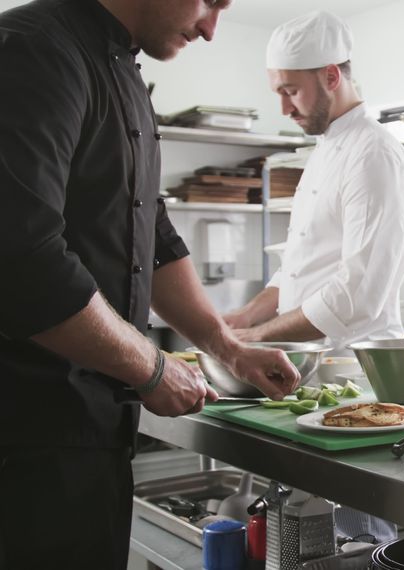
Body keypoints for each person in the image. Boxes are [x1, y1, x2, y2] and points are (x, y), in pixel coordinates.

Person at [0, 1, 302, 568]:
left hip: (92, 429)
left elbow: (150, 232)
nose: (212, 28)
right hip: (25, 433)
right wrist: (151, 366)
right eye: (210, 0)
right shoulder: (34, 50)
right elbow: (19, 256)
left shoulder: (125, 71)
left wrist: (228, 348)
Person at [223, 11, 404, 543]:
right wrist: (237, 321)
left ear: (331, 76)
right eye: (278, 92)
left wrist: (254, 340)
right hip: (309, 375)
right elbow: (297, 271)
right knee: (307, 533)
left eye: (291, 91)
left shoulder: (375, 154)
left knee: (357, 531)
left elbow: (357, 296)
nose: (283, 107)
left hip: (356, 380)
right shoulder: (326, 148)